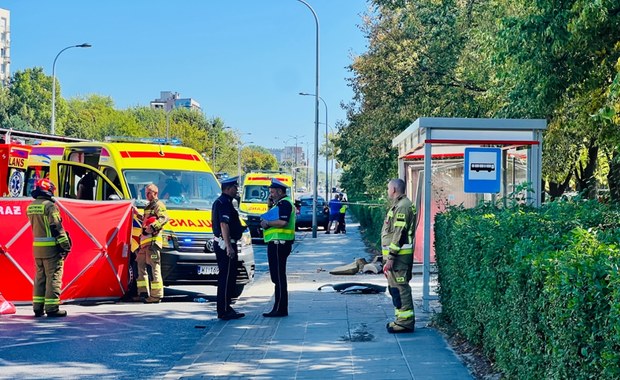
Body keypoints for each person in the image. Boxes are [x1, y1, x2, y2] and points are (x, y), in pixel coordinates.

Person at [26, 178, 72, 317]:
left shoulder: (31, 206)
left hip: (37, 248)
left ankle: (37, 307)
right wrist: (65, 245)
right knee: (53, 276)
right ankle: (52, 307)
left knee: (40, 277)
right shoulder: (50, 206)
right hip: (51, 248)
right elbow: (56, 227)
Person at [381, 178, 416, 333]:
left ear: (394, 189)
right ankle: (400, 320)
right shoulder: (399, 205)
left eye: (388, 188)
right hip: (397, 257)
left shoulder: (402, 207)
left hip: (399, 257)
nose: (388, 191)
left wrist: (391, 257)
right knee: (395, 288)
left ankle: (405, 323)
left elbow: (399, 235)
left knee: (400, 288)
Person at [260, 178, 295, 317]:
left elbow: (282, 222)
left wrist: (267, 223)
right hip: (276, 244)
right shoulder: (279, 204)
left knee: (279, 278)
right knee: (277, 277)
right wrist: (269, 206)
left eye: (273, 192)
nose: (271, 195)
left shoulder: (285, 204)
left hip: (279, 245)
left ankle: (280, 308)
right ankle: (278, 307)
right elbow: (272, 216)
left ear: (280, 191)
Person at [211, 178, 246, 320]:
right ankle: (224, 310)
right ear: (227, 188)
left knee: (228, 277)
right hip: (225, 244)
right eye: (234, 187)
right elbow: (224, 225)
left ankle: (226, 307)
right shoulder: (224, 203)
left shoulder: (222, 202)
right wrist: (229, 247)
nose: (236, 190)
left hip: (224, 243)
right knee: (227, 278)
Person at [132, 183, 169, 303]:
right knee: (140, 265)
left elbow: (164, 218)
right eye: (146, 193)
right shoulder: (148, 206)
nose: (147, 195)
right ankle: (143, 293)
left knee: (154, 267)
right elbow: (146, 221)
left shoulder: (159, 205)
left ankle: (156, 295)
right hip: (144, 244)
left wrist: (152, 227)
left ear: (155, 193)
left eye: (149, 193)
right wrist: (138, 215)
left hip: (153, 242)